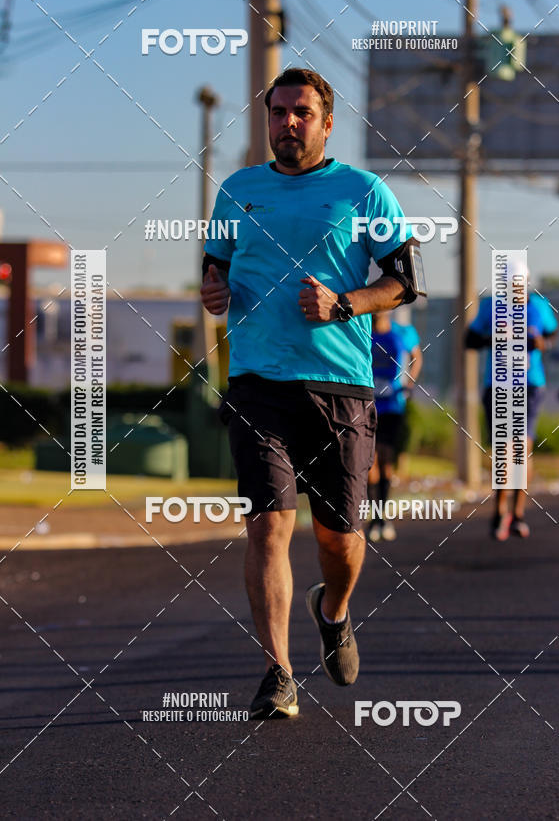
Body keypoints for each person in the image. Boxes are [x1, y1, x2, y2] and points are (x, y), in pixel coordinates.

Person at [200, 67, 425, 719]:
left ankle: (334, 610)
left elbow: (405, 281)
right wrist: (215, 294)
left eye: (302, 112)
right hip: (258, 381)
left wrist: (344, 302)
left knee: (339, 539)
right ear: (267, 118)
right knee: (269, 525)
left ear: (326, 123)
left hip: (341, 386)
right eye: (278, 112)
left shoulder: (363, 191)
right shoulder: (238, 191)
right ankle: (278, 674)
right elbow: (216, 272)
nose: (288, 123)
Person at [466, 287, 557, 540]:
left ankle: (517, 514)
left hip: (529, 385)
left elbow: (552, 336)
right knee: (504, 450)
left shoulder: (539, 306)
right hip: (497, 385)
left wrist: (541, 343)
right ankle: (499, 511)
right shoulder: (491, 306)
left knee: (522, 449)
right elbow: (469, 340)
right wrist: (497, 338)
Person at [367, 311, 423, 542]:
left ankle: (383, 519)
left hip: (393, 405)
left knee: (386, 460)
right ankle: (374, 518)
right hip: (366, 406)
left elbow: (416, 356)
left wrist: (409, 384)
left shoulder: (404, 332)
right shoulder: (362, 330)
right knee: (370, 465)